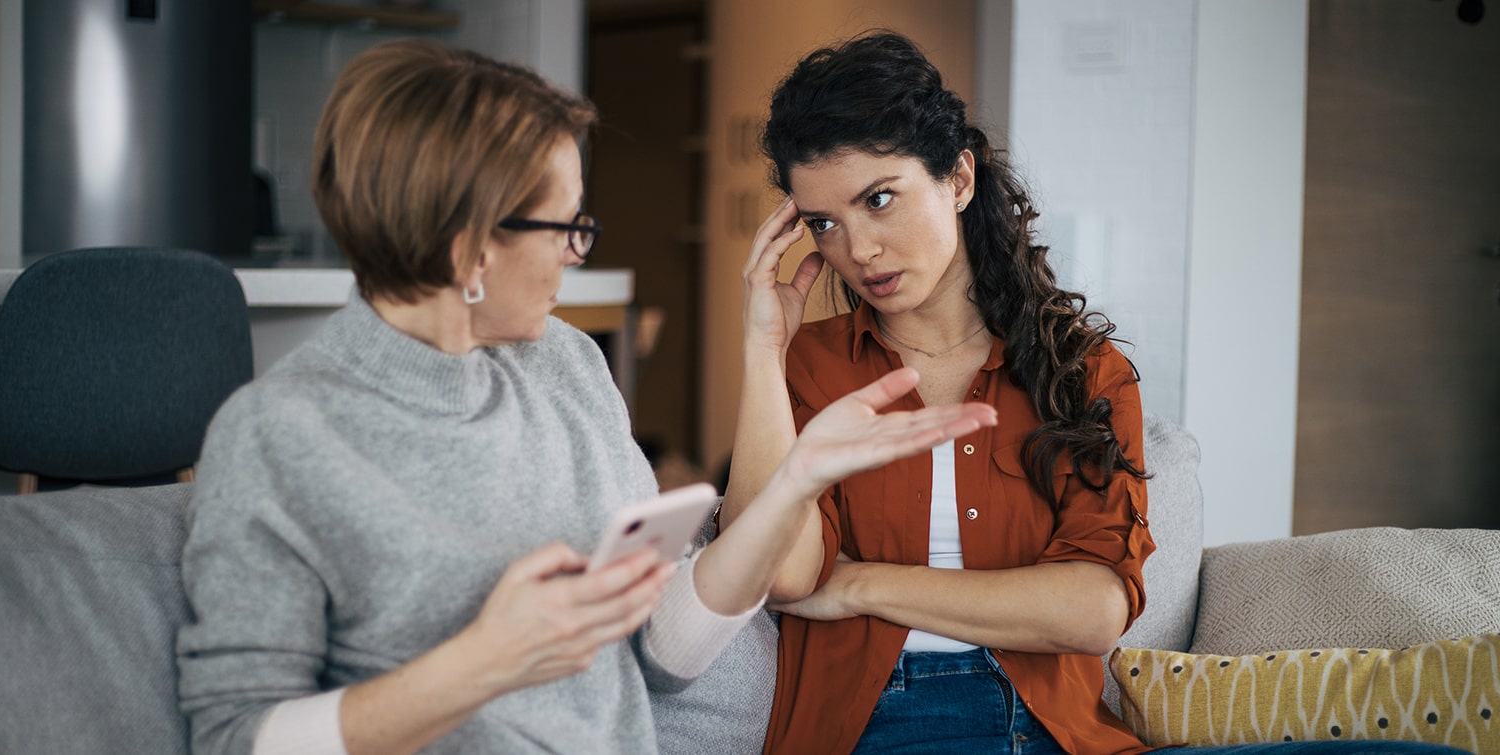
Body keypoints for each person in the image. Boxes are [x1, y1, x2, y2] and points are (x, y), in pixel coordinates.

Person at [175, 39, 997, 755]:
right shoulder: (281, 433)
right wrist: (485, 661)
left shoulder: (566, 365)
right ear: (471, 250)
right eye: (566, 226)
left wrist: (794, 484)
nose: (578, 252)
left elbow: (662, 655)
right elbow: (231, 735)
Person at [722, 31, 1467, 755]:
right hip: (882, 726)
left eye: (879, 200)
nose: (858, 250)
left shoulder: (1082, 370)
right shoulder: (811, 367)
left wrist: (857, 586)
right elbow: (783, 574)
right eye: (824, 222)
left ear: (958, 178)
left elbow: (1092, 610)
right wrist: (763, 347)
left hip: (1054, 731)